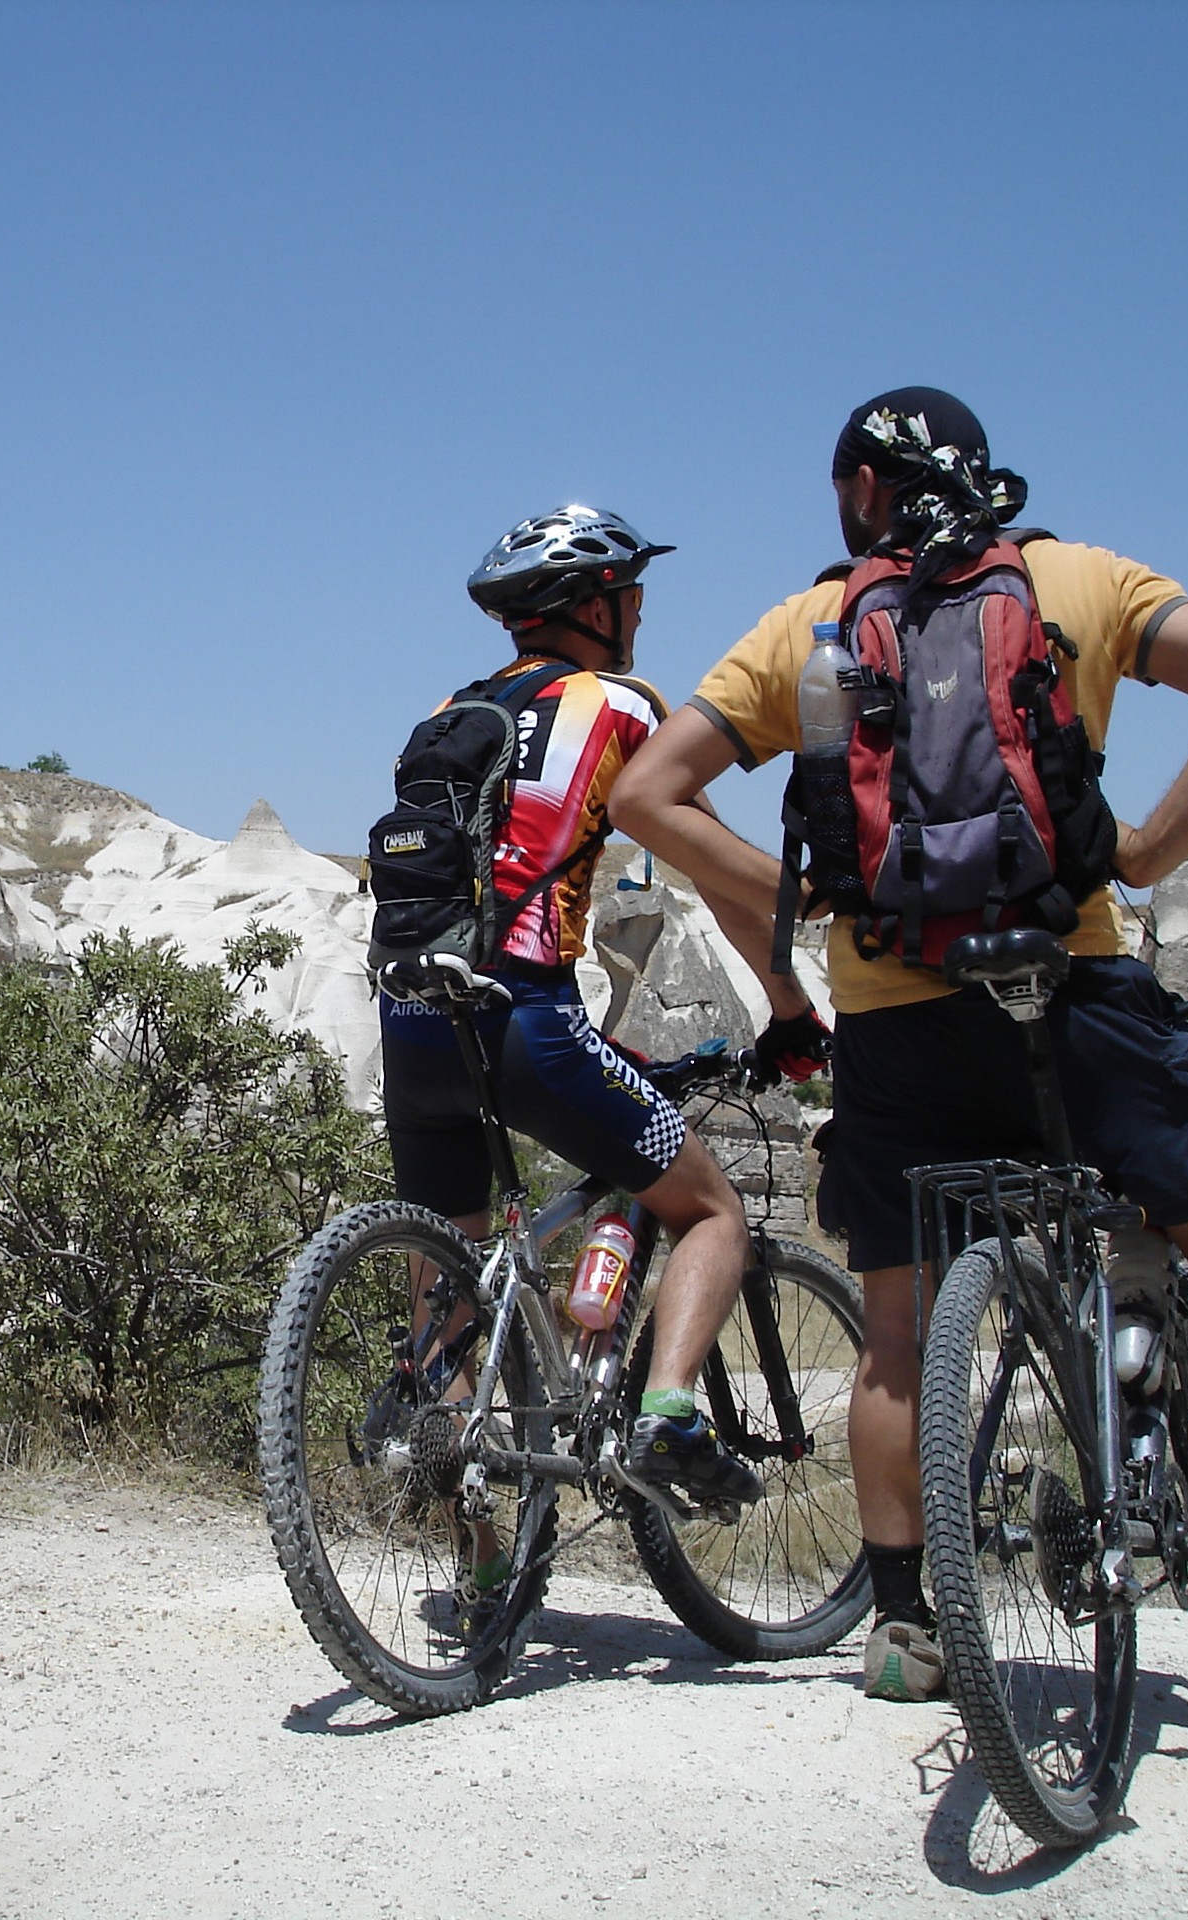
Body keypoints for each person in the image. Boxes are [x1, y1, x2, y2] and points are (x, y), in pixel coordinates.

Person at [607, 388, 1188, 1705]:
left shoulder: (811, 627)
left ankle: (902, 1625)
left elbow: (647, 795)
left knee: (900, 1335)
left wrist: (812, 905)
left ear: (859, 491)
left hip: (901, 1021)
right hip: (1071, 988)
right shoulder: (1076, 580)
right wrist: (1141, 854)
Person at [379, 505, 828, 1581]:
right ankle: (669, 1412)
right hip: (524, 1014)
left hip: (408, 1021)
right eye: (629, 593)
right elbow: (714, 868)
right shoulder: (624, 706)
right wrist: (789, 1006)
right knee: (710, 1209)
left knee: (446, 1277)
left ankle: (482, 1561)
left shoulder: (453, 708)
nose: (637, 612)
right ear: (591, 605)